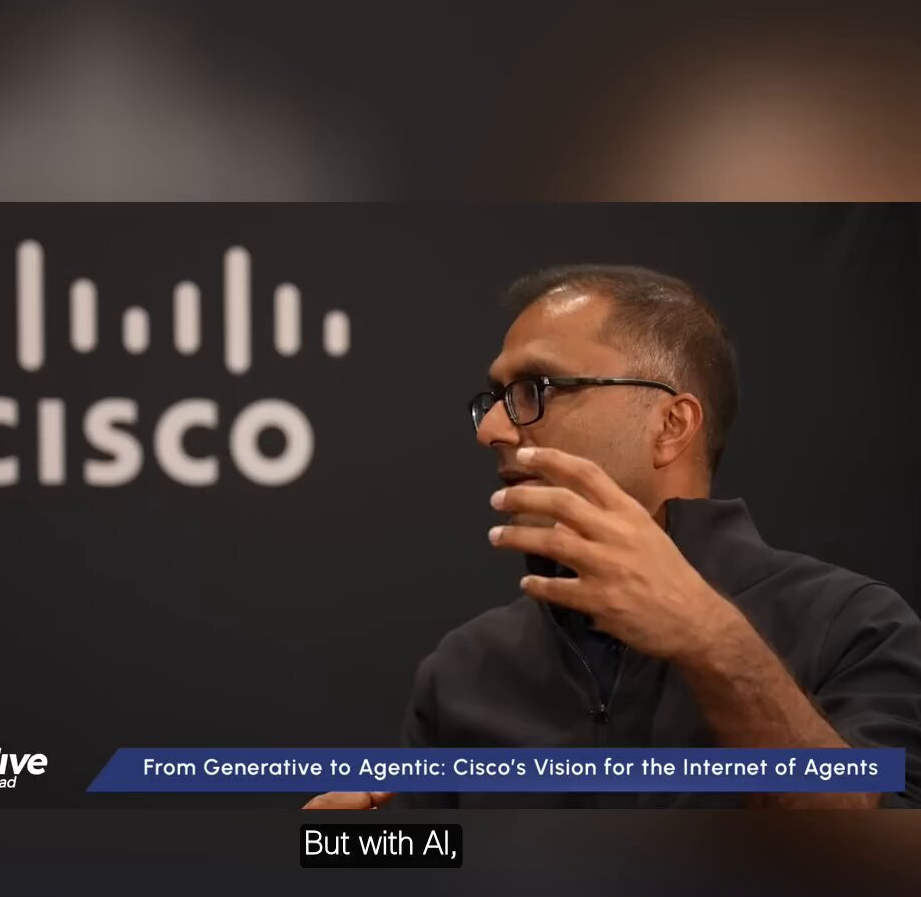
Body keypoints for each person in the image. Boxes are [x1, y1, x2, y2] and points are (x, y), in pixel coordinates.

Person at [305, 265, 921, 809]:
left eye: (536, 389)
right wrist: (358, 855)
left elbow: (883, 877)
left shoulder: (851, 626)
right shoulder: (465, 669)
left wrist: (712, 642)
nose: (491, 429)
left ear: (671, 425)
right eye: (495, 397)